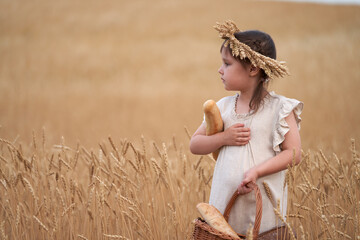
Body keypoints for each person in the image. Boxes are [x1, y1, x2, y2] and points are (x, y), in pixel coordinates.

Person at [190, 20, 303, 235]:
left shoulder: (280, 109)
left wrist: (257, 171)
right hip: (225, 215)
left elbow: (294, 153)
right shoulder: (222, 107)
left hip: (265, 218)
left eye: (227, 64)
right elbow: (195, 144)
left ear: (253, 68)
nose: (220, 70)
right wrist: (224, 138)